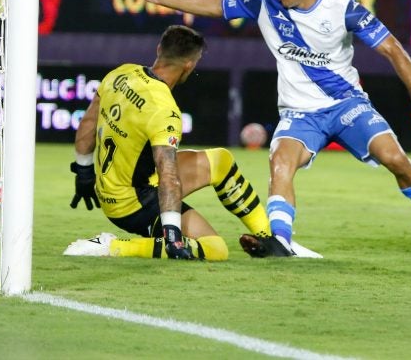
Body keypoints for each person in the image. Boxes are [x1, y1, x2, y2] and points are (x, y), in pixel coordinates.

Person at [129, 0, 411, 260]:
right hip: (299, 114)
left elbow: (393, 49)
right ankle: (280, 242)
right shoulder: (266, 0)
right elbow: (218, 4)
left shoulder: (343, 8)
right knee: (280, 163)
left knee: (396, 160)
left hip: (347, 105)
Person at [64, 25, 278, 260]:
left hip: (113, 189)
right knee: (215, 249)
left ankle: (269, 239)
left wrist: (84, 173)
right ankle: (113, 246)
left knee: (220, 160)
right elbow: (168, 175)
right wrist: (173, 235)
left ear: (159, 49)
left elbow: (88, 123)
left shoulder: (121, 73)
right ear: (190, 64)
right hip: (134, 203)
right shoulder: (163, 109)